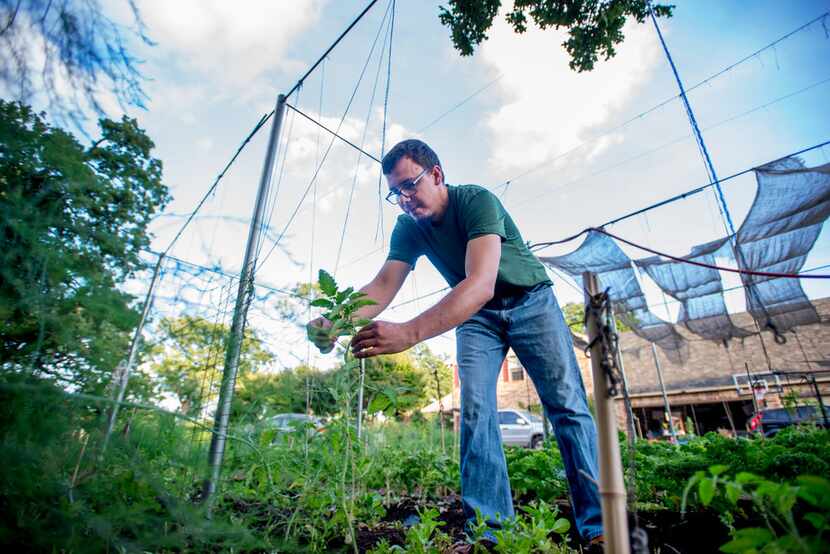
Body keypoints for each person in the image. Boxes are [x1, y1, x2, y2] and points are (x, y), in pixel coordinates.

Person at [307, 139, 603, 545]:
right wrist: (335, 321)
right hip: (478, 317)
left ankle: (599, 528)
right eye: (396, 193)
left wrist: (410, 332)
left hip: (529, 300)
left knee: (567, 406)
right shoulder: (409, 227)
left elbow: (479, 283)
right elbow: (382, 285)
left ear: (437, 175)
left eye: (411, 185)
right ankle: (491, 533)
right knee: (476, 409)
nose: (406, 199)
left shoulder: (475, 201)